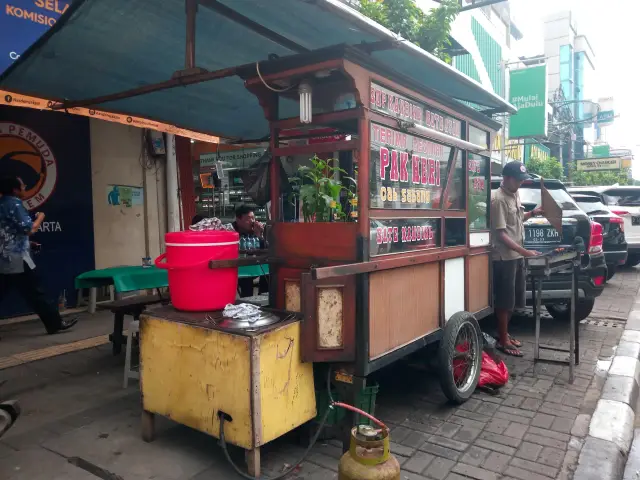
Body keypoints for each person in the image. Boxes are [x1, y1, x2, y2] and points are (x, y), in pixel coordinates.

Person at [0, 176, 77, 335]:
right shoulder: (14, 204)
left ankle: (54, 323)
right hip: (18, 258)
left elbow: (8, 231)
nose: (25, 187)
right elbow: (30, 229)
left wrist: (28, 243)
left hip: (4, 256)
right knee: (36, 292)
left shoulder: (1, 204)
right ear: (15, 189)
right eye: (22, 185)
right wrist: (41, 217)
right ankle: (54, 323)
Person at [491, 162, 543, 357]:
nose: (521, 183)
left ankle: (505, 334)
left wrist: (533, 213)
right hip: (504, 258)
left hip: (516, 256)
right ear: (507, 178)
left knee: (514, 299)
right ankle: (503, 340)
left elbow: (518, 220)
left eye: (522, 180)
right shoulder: (498, 199)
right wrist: (526, 251)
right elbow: (502, 234)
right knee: (505, 301)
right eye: (518, 180)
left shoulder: (514, 195)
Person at [233, 205, 268, 297]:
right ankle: (246, 300)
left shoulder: (256, 230)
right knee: (246, 279)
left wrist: (259, 236)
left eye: (253, 218)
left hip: (254, 265)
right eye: (248, 219)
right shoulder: (232, 231)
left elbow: (265, 249)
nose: (252, 221)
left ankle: (263, 297)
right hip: (238, 267)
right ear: (238, 220)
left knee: (268, 273)